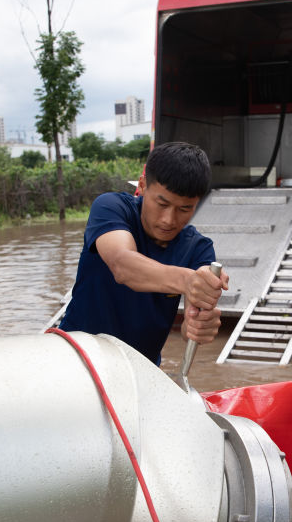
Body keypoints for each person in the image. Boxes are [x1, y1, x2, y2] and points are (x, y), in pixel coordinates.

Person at [58, 141, 229, 365]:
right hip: (74, 357)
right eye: (162, 203)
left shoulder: (199, 248)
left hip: (139, 370)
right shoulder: (112, 208)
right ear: (143, 185)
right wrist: (187, 280)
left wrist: (199, 326)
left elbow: (190, 326)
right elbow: (122, 264)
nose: (169, 219)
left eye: (184, 209)